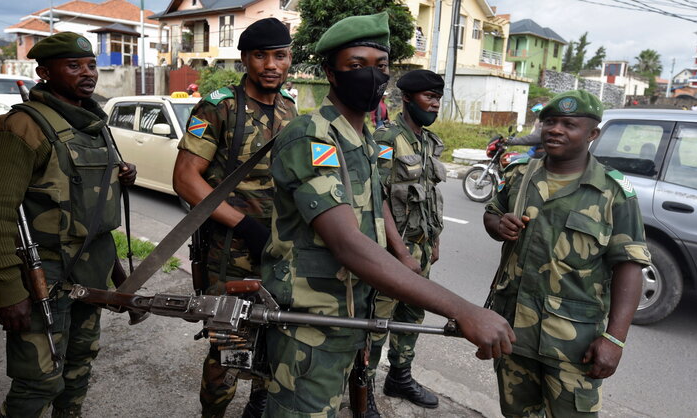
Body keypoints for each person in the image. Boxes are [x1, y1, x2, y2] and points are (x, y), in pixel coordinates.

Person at [260, 12, 514, 417]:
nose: (373, 77)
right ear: (330, 72)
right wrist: (463, 309)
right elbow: (348, 243)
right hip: (310, 324)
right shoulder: (313, 135)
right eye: (356, 66)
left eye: (381, 67)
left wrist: (403, 254)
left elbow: (376, 207)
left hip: (350, 317)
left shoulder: (358, 136)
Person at [0, 32, 137, 417]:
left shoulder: (93, 122)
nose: (87, 73)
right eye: (73, 65)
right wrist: (9, 290)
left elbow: (81, 188)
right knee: (39, 380)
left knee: (79, 367)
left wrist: (122, 174)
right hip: (43, 273)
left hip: (90, 272)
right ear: (44, 72)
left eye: (91, 64)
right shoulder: (25, 127)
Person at [482, 90, 652, 417]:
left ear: (592, 134)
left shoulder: (613, 192)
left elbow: (629, 265)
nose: (556, 129)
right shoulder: (519, 173)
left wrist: (614, 340)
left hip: (574, 344)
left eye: (569, 124)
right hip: (513, 331)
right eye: (550, 122)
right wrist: (498, 224)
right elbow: (491, 213)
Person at [172, 18, 297, 418]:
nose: (271, 65)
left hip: (279, 250)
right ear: (245, 58)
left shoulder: (290, 108)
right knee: (229, 344)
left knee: (275, 332)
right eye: (260, 56)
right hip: (229, 251)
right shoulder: (218, 106)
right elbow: (186, 179)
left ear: (290, 58)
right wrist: (246, 226)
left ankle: (258, 404)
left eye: (280, 55)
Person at [365, 69, 446, 416]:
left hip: (421, 247)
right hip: (391, 252)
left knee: (411, 316)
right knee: (378, 322)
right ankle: (363, 386)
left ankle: (399, 376)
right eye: (429, 97)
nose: (435, 104)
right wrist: (399, 252)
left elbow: (430, 195)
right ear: (408, 99)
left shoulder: (427, 142)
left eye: (438, 98)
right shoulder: (386, 138)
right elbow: (376, 197)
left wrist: (435, 241)